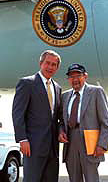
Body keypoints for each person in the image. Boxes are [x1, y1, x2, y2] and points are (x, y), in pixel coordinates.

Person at [12, 50, 63, 182]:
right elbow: (18, 113)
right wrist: (22, 139)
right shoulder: (27, 83)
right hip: (33, 146)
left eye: (54, 64)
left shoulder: (57, 87)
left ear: (57, 67)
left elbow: (57, 116)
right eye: (47, 63)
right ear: (41, 63)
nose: (50, 67)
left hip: (53, 147)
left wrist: (61, 131)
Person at [59, 63, 108, 182]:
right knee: (74, 178)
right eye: (71, 76)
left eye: (78, 75)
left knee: (91, 178)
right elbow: (62, 121)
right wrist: (61, 131)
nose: (75, 79)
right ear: (68, 79)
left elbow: (106, 122)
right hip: (70, 141)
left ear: (85, 76)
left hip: (90, 144)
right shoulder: (65, 96)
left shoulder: (96, 92)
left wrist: (102, 144)